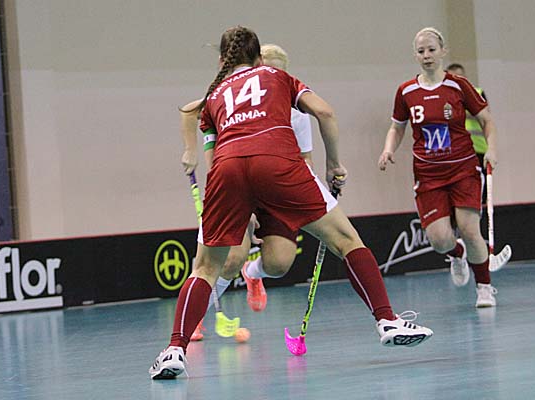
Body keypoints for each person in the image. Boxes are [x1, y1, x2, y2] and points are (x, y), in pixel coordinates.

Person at [150, 26, 433, 379]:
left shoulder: (214, 94)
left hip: (227, 168)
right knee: (346, 240)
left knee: (205, 267)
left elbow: (208, 145)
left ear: (222, 60)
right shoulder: (278, 77)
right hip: (278, 162)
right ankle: (387, 320)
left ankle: (174, 350)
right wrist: (334, 165)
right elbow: (325, 113)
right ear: (258, 58)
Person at [180, 43, 315, 341]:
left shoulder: (297, 111)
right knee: (229, 259)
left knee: (279, 264)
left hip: (277, 188)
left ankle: (253, 274)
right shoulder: (231, 95)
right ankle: (194, 317)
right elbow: (190, 112)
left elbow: (306, 159)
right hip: (237, 183)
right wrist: (191, 150)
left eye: (279, 72)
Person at [378, 27, 501, 308]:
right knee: (440, 240)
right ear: (415, 55)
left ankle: (484, 287)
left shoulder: (458, 85)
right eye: (421, 51)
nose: (427, 55)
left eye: (432, 50)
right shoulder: (406, 91)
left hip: (463, 169)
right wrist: (388, 149)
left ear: (443, 51)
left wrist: (491, 149)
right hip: (428, 175)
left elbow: (487, 120)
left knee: (470, 230)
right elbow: (397, 127)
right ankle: (457, 254)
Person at [446, 63, 488, 203]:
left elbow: (484, 116)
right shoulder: (443, 96)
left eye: (459, 76)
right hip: (454, 151)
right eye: (452, 77)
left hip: (477, 148)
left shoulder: (476, 92)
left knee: (478, 187)